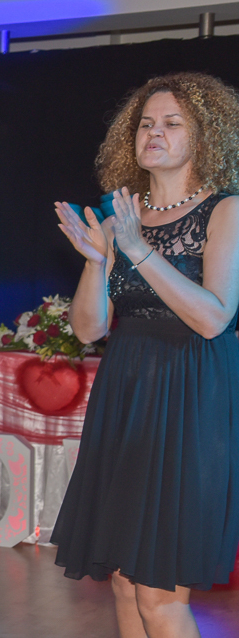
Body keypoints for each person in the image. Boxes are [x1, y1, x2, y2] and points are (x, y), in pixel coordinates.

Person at [52, 72, 239, 638]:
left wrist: (136, 250)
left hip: (191, 401)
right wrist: (96, 261)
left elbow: (213, 318)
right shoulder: (119, 223)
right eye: (146, 124)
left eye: (171, 123)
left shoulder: (226, 211)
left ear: (205, 137)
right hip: (127, 399)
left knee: (159, 592)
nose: (153, 133)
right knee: (125, 582)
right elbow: (88, 330)